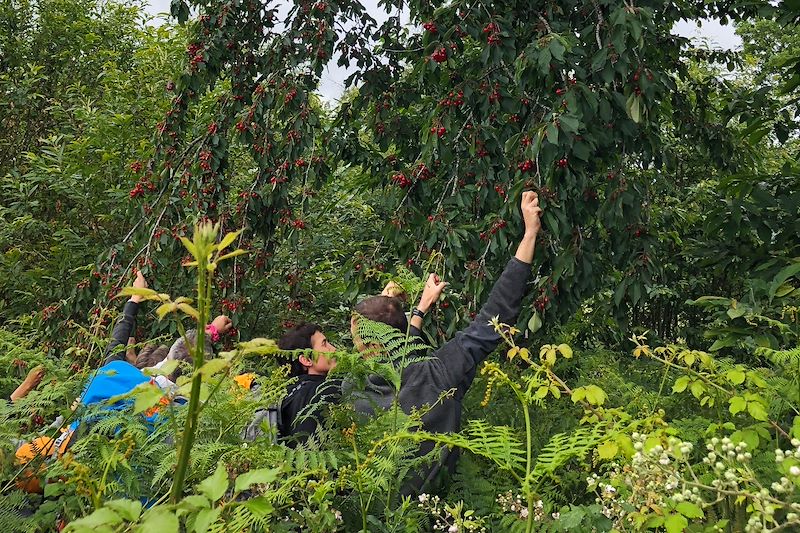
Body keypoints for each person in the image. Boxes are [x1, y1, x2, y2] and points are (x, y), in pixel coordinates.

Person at [348, 191, 543, 493]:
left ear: (366, 343)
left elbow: (398, 360)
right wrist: (530, 233)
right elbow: (493, 319)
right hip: (435, 514)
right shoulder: (435, 375)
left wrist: (416, 310)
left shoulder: (348, 389)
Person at [275, 323, 339, 446]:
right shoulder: (327, 390)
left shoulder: (284, 394)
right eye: (324, 344)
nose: (333, 349)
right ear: (306, 360)